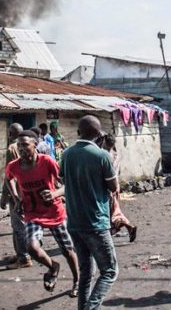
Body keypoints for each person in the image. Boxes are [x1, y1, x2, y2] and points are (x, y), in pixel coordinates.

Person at [6, 130, 80, 297]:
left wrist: (55, 194)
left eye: (25, 145)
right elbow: (8, 178)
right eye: (19, 146)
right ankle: (53, 266)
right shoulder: (14, 166)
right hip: (32, 213)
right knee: (32, 247)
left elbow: (66, 183)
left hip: (54, 212)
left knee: (68, 250)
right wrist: (16, 199)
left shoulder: (47, 162)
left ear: (35, 145)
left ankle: (77, 280)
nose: (21, 149)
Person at [60, 115, 119, 308]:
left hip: (74, 221)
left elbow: (63, 180)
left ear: (78, 132)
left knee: (86, 273)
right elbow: (113, 187)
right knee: (110, 271)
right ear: (98, 134)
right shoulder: (103, 156)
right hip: (95, 222)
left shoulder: (67, 154)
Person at [2, 123, 33, 270]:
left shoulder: (12, 148)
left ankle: (23, 257)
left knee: (18, 225)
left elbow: (9, 176)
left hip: (17, 194)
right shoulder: (30, 147)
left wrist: (5, 196)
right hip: (27, 191)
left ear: (11, 134)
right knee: (21, 224)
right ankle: (20, 253)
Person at [101, 134, 137, 242]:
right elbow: (118, 172)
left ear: (105, 143)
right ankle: (129, 228)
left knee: (111, 213)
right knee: (114, 211)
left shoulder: (105, 156)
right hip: (116, 185)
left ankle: (128, 227)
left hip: (108, 187)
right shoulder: (116, 155)